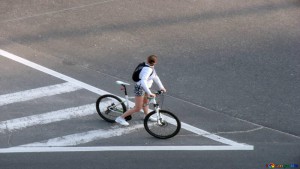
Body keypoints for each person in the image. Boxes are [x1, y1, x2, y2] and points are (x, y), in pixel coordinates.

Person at [115, 55, 167, 126]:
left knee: (145, 103)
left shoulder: (151, 67)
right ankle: (120, 118)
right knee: (138, 108)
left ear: (147, 60)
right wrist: (149, 92)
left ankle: (147, 116)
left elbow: (155, 77)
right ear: (155, 62)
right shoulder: (147, 69)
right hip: (140, 88)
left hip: (145, 88)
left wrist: (161, 87)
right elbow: (143, 81)